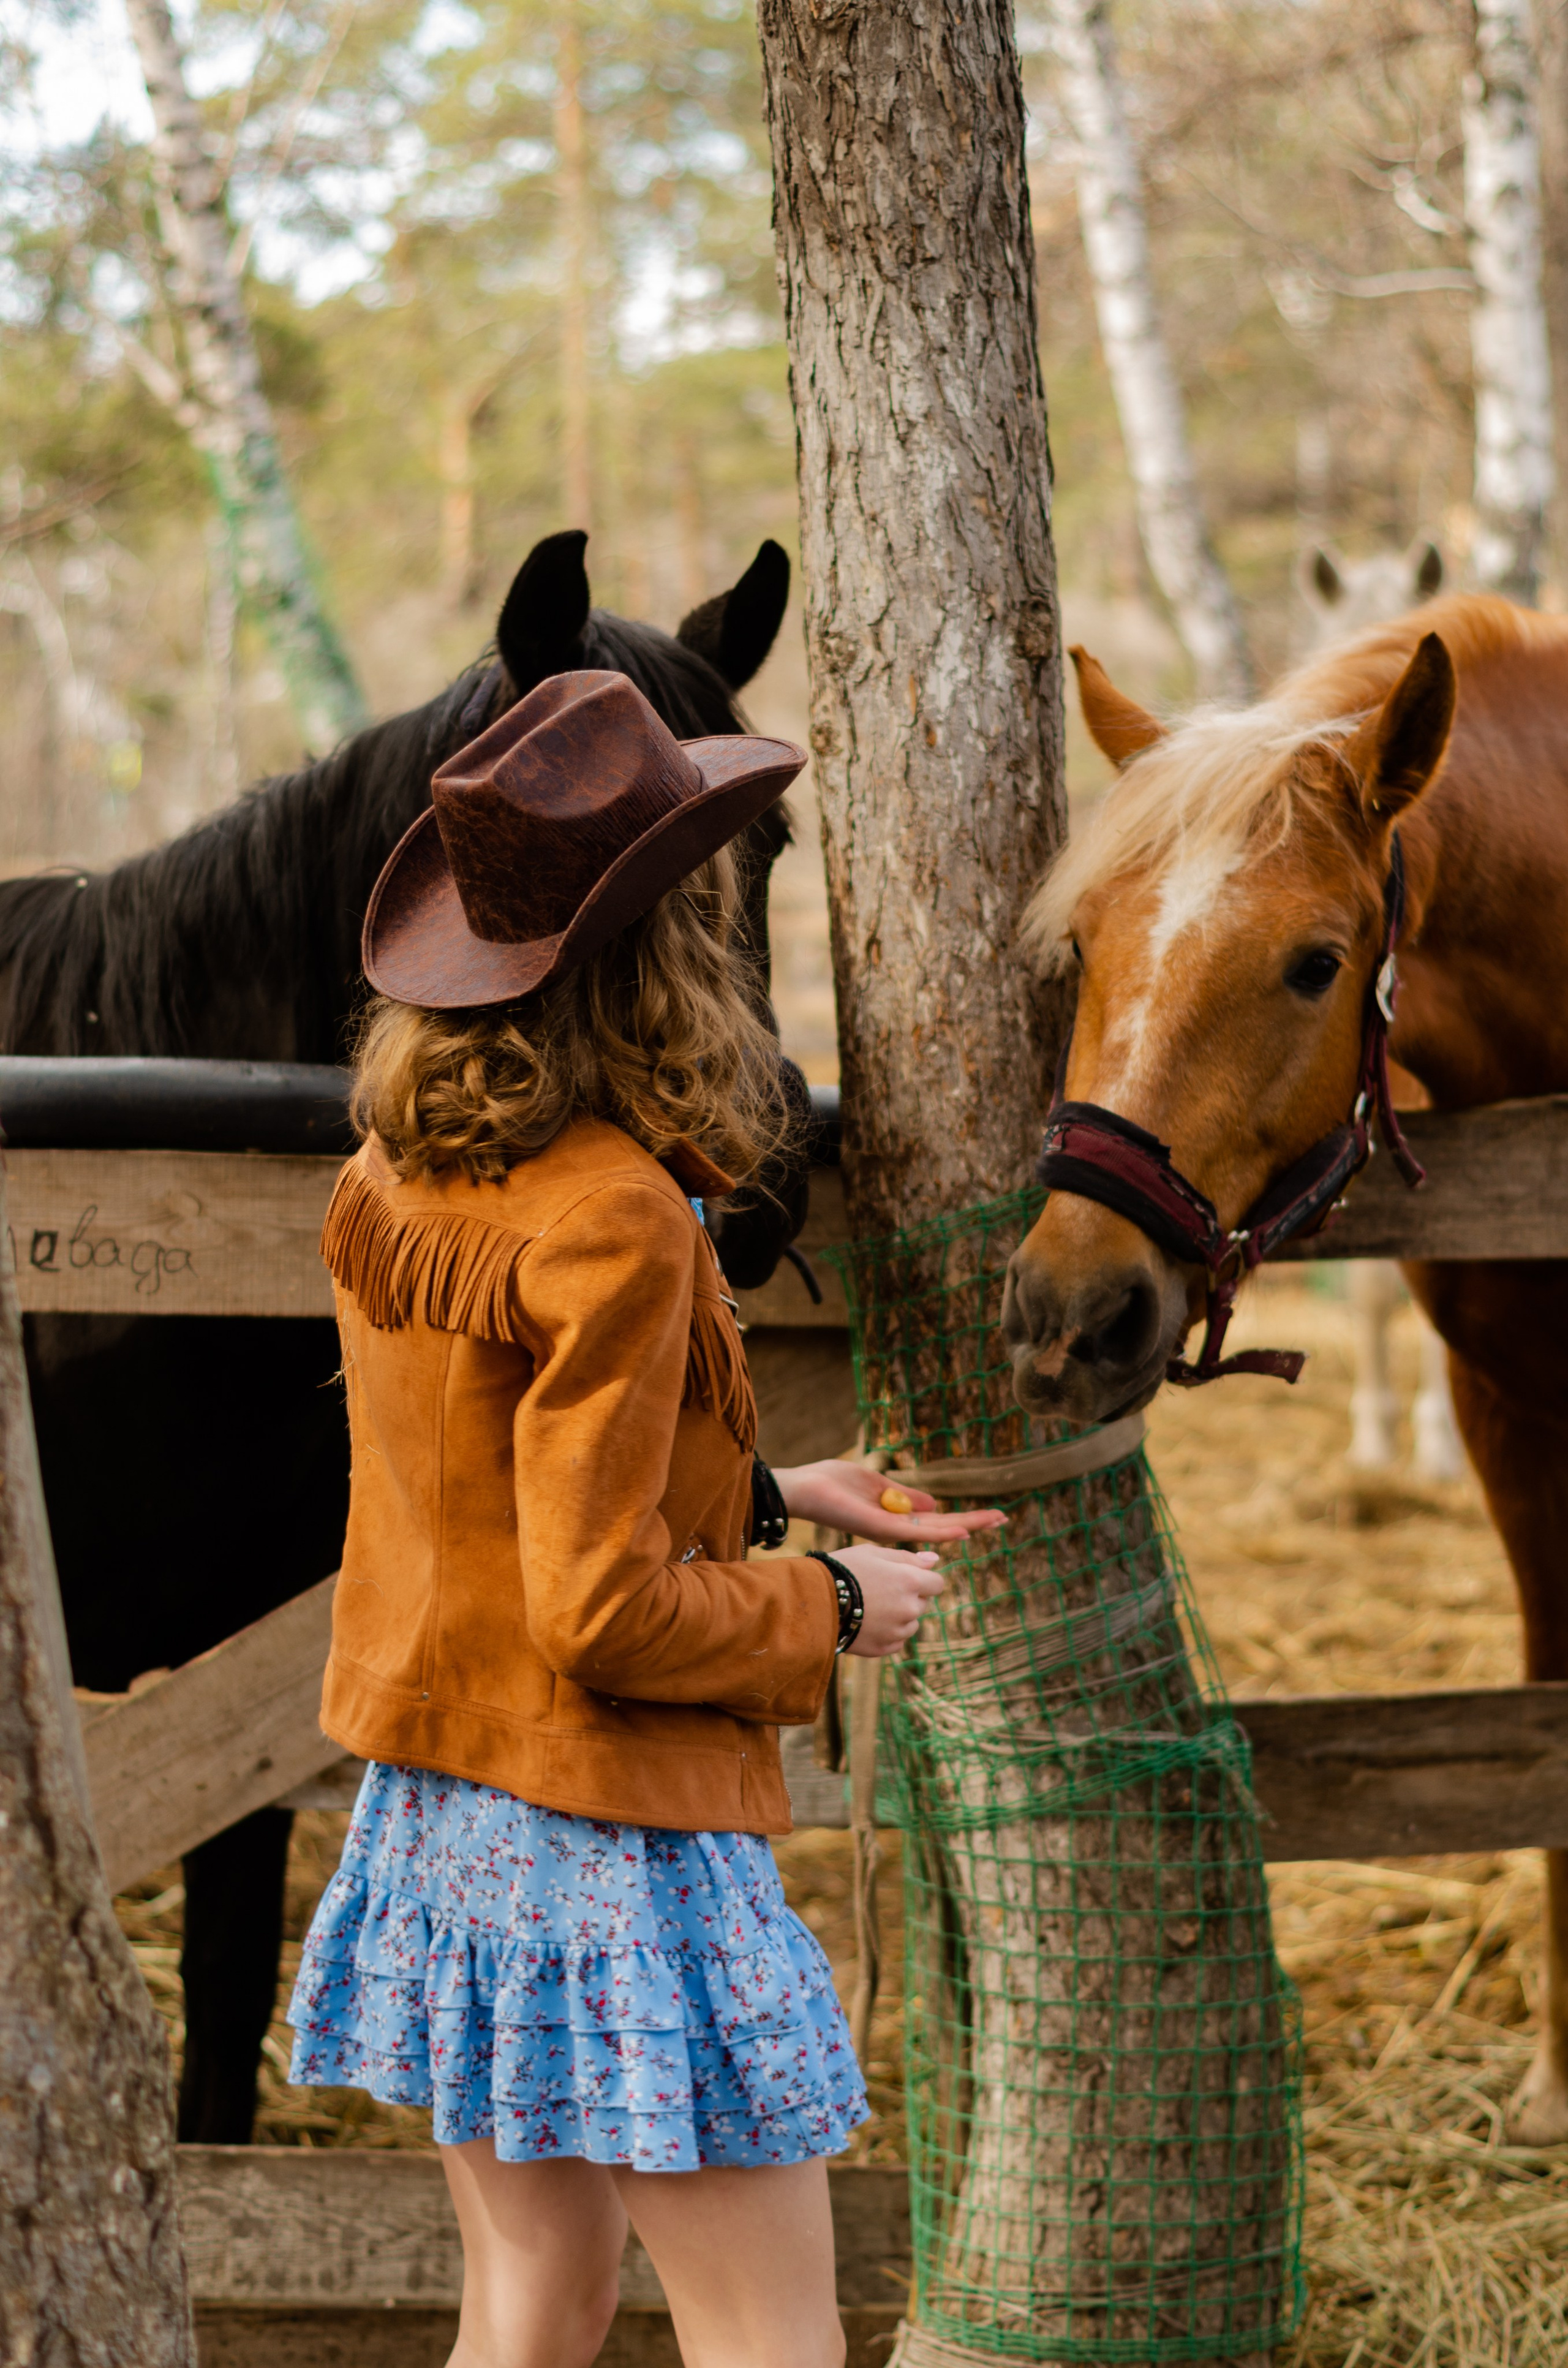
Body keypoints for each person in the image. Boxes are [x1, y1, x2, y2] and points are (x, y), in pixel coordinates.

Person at [285, 671, 1005, 2368]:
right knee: (774, 2342)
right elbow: (597, 1609)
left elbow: (489, 1480)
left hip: (448, 1808)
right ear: (661, 942)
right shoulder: (615, 1210)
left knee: (535, 2305)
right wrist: (825, 1605)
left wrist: (765, 1493)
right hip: (608, 1842)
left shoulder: (398, 1162)